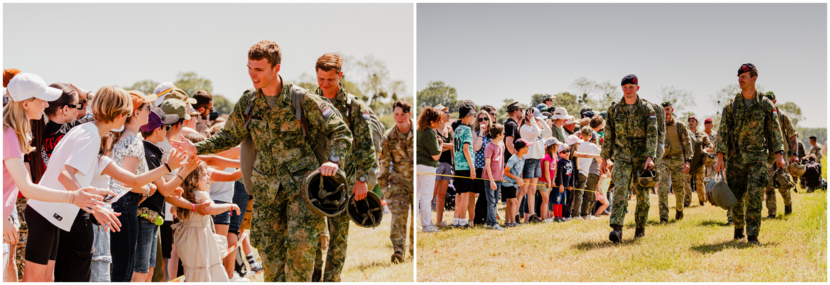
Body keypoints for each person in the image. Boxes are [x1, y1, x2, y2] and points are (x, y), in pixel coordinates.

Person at [173, 40, 352, 283]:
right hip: (267, 194)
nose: (252, 75)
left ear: (276, 68)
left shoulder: (303, 99)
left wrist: (333, 160)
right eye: (249, 68)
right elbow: (229, 135)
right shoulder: (249, 103)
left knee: (300, 256)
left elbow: (341, 131)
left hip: (303, 191)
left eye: (259, 70)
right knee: (271, 260)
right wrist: (197, 147)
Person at [2, 73, 112, 283]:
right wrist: (73, 197)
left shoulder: (12, 132)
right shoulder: (6, 133)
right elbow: (27, 188)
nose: (46, 104)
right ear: (26, 104)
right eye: (42, 99)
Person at [311, 53, 379, 284]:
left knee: (338, 242)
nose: (325, 84)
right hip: (313, 184)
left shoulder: (355, 107)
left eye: (330, 79)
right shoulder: (308, 102)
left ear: (340, 76)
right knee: (312, 239)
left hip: (344, 185)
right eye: (321, 79)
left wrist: (361, 179)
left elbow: (367, 148)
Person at [715, 63, 786, 246]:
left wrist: (779, 154)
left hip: (757, 158)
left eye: (744, 76)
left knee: (754, 195)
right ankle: (739, 230)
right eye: (739, 76)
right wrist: (720, 158)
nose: (740, 79)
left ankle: (753, 235)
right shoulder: (732, 105)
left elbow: (775, 131)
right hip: (736, 157)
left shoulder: (765, 104)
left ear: (754, 78)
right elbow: (722, 131)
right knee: (737, 196)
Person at [601, 74, 659, 243]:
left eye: (631, 87)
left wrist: (650, 156)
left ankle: (640, 229)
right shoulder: (615, 109)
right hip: (621, 157)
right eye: (625, 88)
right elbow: (609, 133)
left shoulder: (647, 109)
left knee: (642, 196)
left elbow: (652, 134)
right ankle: (617, 229)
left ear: (637, 88)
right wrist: (604, 157)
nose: (628, 91)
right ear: (622, 89)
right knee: (619, 190)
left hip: (642, 159)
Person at [172, 163, 240, 284]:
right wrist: (230, 206)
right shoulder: (201, 194)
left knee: (193, 270)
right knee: (204, 268)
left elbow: (173, 210)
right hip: (199, 238)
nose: (208, 178)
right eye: (204, 175)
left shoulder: (185, 195)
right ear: (193, 178)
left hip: (184, 238)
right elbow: (209, 209)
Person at [378, 100, 416, 263]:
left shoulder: (420, 131)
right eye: (396, 114)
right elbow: (384, 163)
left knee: (416, 217)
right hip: (398, 182)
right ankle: (398, 251)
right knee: (398, 217)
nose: (399, 118)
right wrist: (384, 188)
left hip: (418, 181)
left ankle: (415, 249)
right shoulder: (388, 137)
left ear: (409, 114)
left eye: (403, 114)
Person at [762, 92, 798, 218]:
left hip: (781, 155)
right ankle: (772, 213)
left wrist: (795, 154)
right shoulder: (762, 116)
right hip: (767, 155)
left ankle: (788, 205)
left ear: (775, 101)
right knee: (769, 185)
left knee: (783, 183)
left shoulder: (782, 116)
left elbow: (793, 135)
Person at [657, 102, 693, 223]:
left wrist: (688, 161)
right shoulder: (658, 126)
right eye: (663, 110)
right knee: (662, 187)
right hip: (663, 159)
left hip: (678, 159)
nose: (666, 112)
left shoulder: (679, 125)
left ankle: (679, 210)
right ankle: (663, 217)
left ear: (671, 110)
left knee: (679, 189)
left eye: (667, 110)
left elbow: (687, 144)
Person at [414, 107, 442, 233]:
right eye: (438, 120)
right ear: (432, 122)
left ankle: (414, 223)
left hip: (415, 166)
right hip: (427, 167)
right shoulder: (429, 133)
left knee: (416, 196)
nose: (440, 123)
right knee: (426, 196)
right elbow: (435, 155)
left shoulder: (418, 130)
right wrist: (440, 144)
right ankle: (427, 225)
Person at [451, 101, 477, 228]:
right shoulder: (467, 130)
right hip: (466, 166)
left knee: (459, 195)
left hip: (458, 167)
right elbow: (466, 150)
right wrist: (472, 168)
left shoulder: (457, 129)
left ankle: (456, 220)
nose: (474, 119)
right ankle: (462, 221)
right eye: (473, 116)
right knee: (465, 195)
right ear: (467, 116)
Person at [573, 127, 602, 220]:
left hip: (576, 170)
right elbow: (599, 158)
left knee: (576, 194)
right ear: (590, 136)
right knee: (580, 194)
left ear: (581, 135)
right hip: (584, 172)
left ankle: (576, 213)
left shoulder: (578, 144)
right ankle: (579, 215)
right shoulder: (593, 146)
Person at [432, 105, 454, 228]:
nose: (449, 114)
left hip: (447, 164)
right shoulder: (434, 129)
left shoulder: (450, 129)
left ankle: (439, 221)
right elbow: (435, 149)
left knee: (442, 194)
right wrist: (447, 145)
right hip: (436, 163)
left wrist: (442, 144)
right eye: (446, 112)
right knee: (432, 193)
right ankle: (425, 220)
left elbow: (454, 146)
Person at [686, 116, 714, 207]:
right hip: (687, 163)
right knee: (686, 184)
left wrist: (705, 150)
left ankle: (702, 202)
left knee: (700, 184)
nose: (691, 122)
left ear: (697, 124)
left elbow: (710, 146)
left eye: (693, 121)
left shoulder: (703, 135)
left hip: (699, 164)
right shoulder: (685, 134)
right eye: (689, 121)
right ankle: (686, 203)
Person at [482, 124, 506, 230]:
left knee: (495, 201)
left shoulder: (501, 145)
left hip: (498, 177)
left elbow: (501, 162)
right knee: (491, 201)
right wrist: (491, 181)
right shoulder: (489, 146)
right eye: (503, 133)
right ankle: (493, 223)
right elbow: (487, 164)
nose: (504, 135)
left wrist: (501, 175)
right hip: (490, 178)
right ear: (498, 135)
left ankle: (488, 221)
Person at [472, 110, 493, 226]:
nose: (483, 121)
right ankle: (478, 220)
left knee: (489, 195)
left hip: (491, 168)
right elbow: (476, 147)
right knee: (483, 194)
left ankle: (486, 218)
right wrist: (481, 131)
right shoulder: (475, 132)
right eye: (480, 119)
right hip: (480, 167)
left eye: (485, 118)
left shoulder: (492, 133)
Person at [502, 139, 530, 227]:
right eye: (526, 147)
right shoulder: (513, 159)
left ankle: (507, 222)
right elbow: (505, 171)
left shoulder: (523, 158)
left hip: (513, 184)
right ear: (521, 149)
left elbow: (519, 171)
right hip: (507, 184)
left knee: (510, 203)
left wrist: (520, 179)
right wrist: (517, 178)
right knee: (514, 202)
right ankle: (513, 222)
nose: (528, 149)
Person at [540, 138, 560, 222]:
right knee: (546, 200)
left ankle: (547, 217)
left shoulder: (554, 156)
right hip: (543, 181)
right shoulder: (547, 156)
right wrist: (548, 181)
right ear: (552, 146)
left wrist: (552, 180)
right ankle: (543, 218)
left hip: (549, 181)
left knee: (546, 200)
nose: (559, 146)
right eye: (557, 145)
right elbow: (546, 171)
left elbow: (555, 169)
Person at [553, 144, 574, 223]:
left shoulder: (571, 162)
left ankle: (561, 216)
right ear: (559, 154)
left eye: (568, 151)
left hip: (566, 185)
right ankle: (556, 216)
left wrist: (571, 185)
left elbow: (572, 175)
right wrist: (560, 184)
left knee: (562, 201)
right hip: (560, 186)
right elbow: (560, 174)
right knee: (557, 201)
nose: (567, 153)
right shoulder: (560, 162)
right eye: (564, 151)